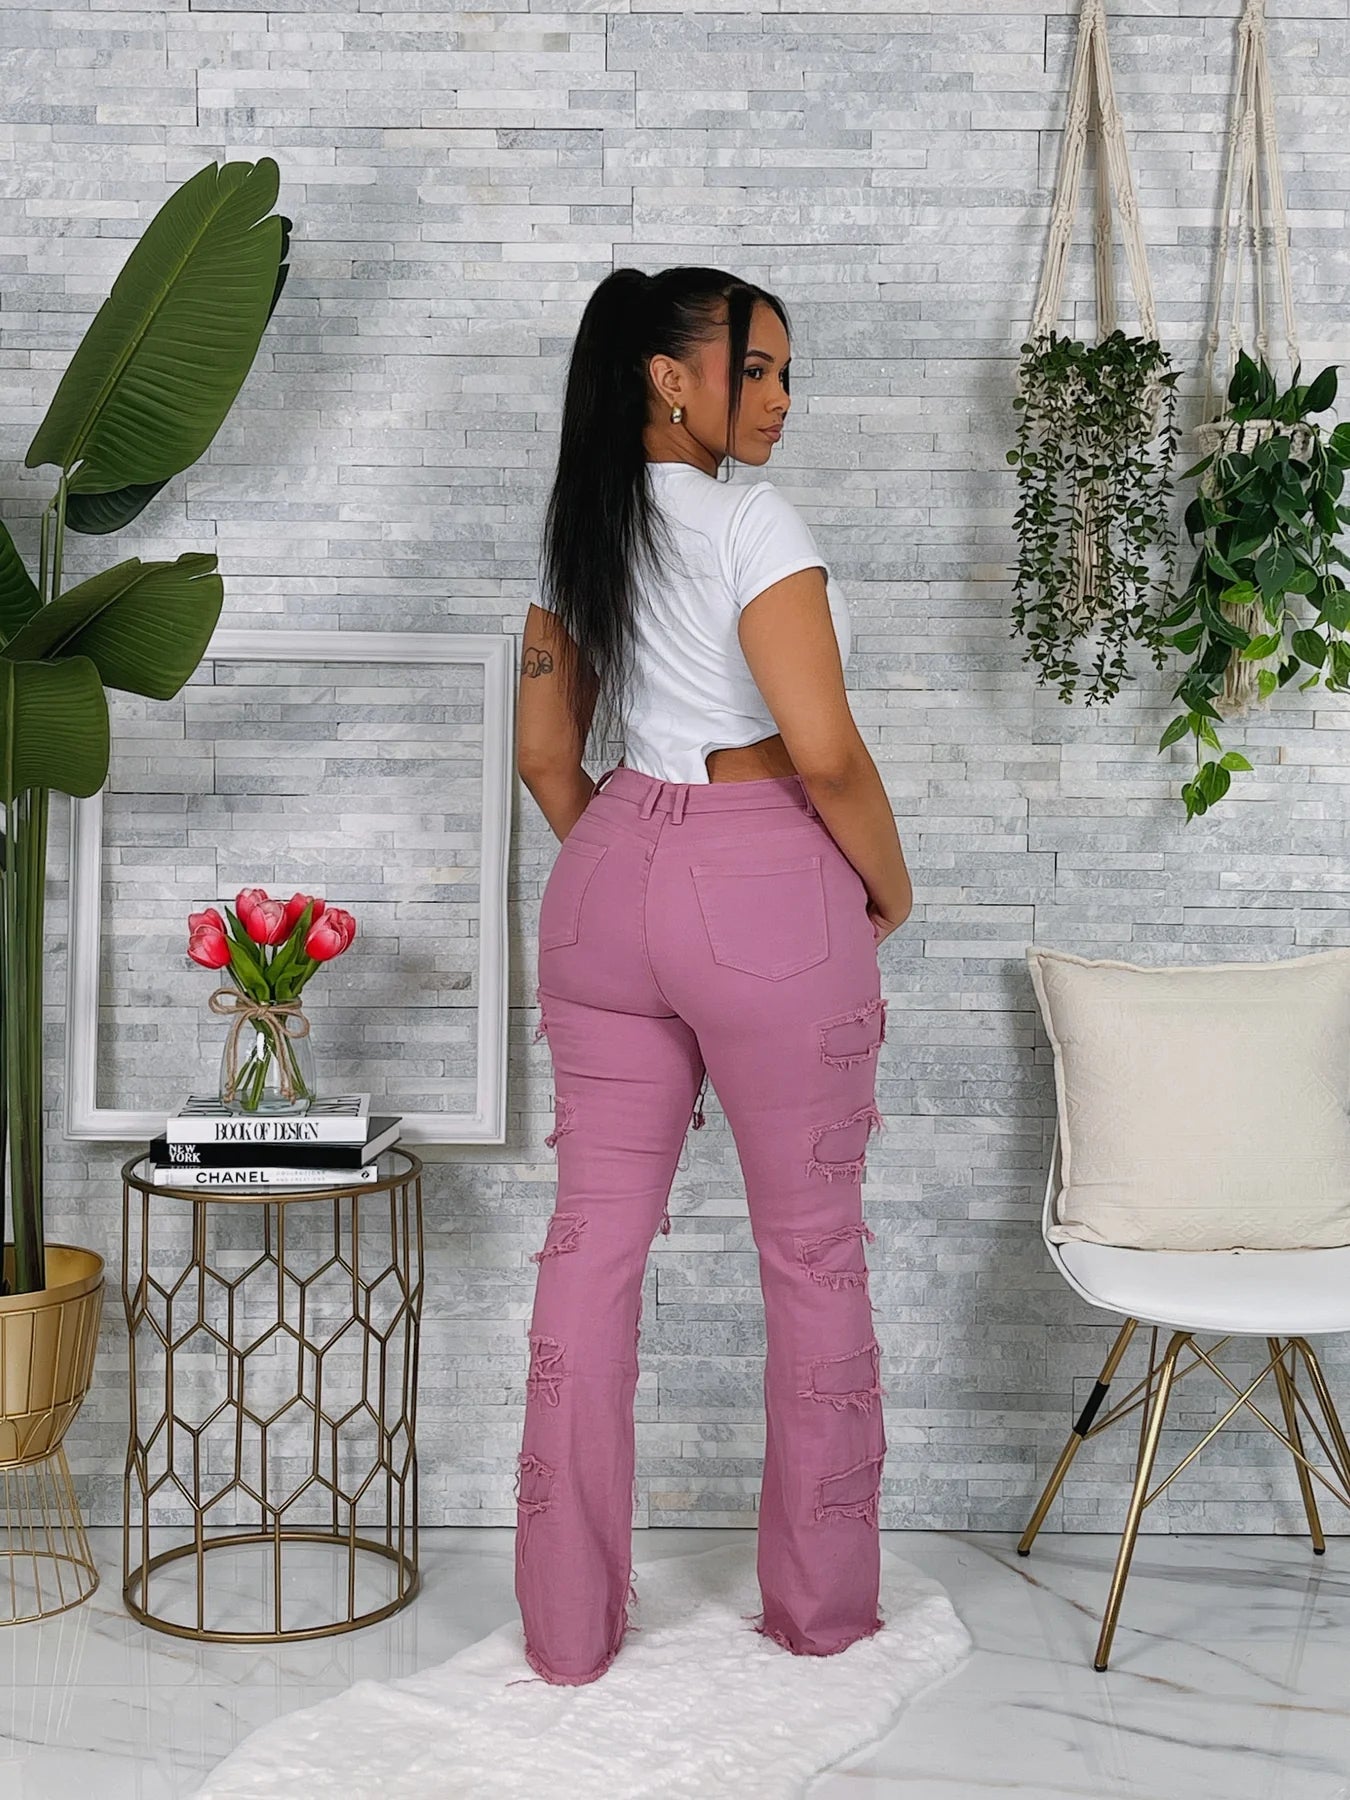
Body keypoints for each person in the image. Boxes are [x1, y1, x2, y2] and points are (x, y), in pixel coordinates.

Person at [513, 264, 913, 1687]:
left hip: (602, 881)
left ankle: (566, 1633)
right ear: (667, 378)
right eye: (755, 369)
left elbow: (545, 760)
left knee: (589, 1251)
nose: (781, 399)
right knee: (809, 1253)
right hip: (762, 881)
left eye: (786, 373)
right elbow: (826, 753)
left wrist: (631, 864)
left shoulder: (578, 528)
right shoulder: (752, 522)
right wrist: (889, 885)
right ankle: (819, 1613)